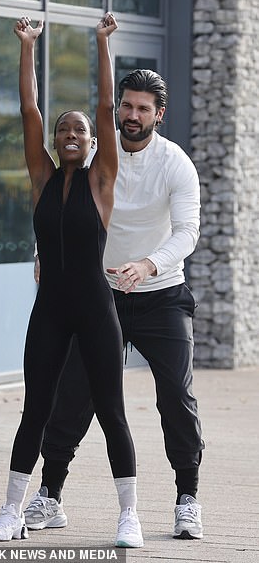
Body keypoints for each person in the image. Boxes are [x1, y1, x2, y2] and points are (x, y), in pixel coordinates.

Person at [0, 13, 144, 549]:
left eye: (80, 130)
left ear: (95, 141)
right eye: (63, 129)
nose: (70, 134)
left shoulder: (102, 180)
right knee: (36, 409)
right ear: (53, 141)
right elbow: (28, 108)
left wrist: (102, 44)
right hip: (49, 309)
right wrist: (28, 47)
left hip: (97, 308)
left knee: (112, 412)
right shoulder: (41, 178)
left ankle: (129, 516)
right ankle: (12, 510)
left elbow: (103, 105)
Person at [26, 67, 205, 541]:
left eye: (143, 108)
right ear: (115, 108)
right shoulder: (93, 160)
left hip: (161, 295)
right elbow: (59, 211)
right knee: (72, 395)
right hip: (97, 296)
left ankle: (187, 497)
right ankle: (50, 494)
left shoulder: (175, 164)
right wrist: (45, 253)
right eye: (125, 105)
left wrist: (149, 264)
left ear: (158, 115)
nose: (132, 115)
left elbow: (187, 231)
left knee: (177, 397)